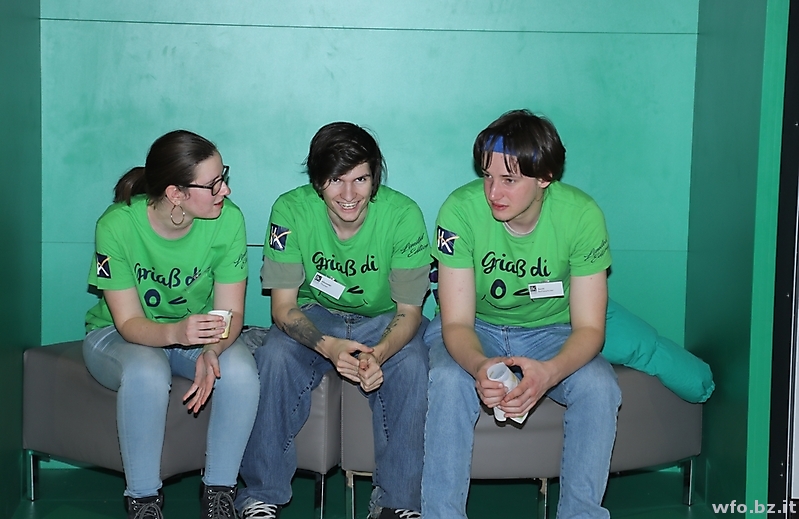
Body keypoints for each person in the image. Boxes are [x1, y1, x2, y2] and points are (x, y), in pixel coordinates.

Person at [422, 110, 622, 518]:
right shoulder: (460, 210)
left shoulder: (582, 216)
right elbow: (456, 322)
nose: (493, 191)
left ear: (544, 177)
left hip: (550, 330)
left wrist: (548, 373)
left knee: (599, 386)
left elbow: (589, 328)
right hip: (475, 328)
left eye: (509, 180)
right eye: (487, 176)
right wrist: (479, 366)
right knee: (447, 379)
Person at [236, 122, 430, 519]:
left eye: (360, 179)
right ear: (317, 181)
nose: (348, 194)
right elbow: (283, 308)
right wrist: (329, 347)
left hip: (383, 318)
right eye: (335, 180)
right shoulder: (290, 210)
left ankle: (397, 504)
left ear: (375, 178)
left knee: (411, 363)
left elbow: (409, 311)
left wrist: (378, 354)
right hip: (316, 314)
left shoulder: (403, 215)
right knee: (275, 356)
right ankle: (260, 495)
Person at [83, 130, 260, 519]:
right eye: (213, 184)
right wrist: (176, 333)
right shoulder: (116, 225)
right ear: (175, 193)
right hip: (118, 335)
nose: (225, 190)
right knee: (147, 372)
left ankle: (219, 494)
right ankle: (143, 501)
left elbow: (230, 312)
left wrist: (212, 350)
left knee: (240, 371)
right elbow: (128, 321)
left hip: (197, 334)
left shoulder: (229, 219)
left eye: (223, 177)